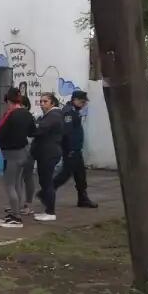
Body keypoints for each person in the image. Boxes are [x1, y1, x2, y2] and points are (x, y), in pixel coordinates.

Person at [0, 87, 36, 228]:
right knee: (18, 183)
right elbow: (32, 132)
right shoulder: (27, 114)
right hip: (23, 152)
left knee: (10, 184)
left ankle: (16, 217)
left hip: (12, 153)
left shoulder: (10, 114)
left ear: (9, 100)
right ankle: (15, 212)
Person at [54, 90, 98, 208]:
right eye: (82, 102)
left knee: (80, 175)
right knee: (65, 174)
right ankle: (47, 191)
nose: (83, 104)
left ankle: (83, 198)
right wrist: (71, 149)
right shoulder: (69, 112)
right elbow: (67, 133)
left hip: (76, 150)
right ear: (75, 100)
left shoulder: (74, 111)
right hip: (71, 150)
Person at [31, 93, 64, 222]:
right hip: (47, 152)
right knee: (44, 181)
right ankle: (47, 210)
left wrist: (31, 127)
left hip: (48, 153)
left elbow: (39, 130)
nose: (42, 104)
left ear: (52, 103)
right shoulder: (50, 115)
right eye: (41, 101)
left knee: (47, 182)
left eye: (45, 101)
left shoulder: (53, 115)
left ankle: (50, 211)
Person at [20, 95, 36, 215]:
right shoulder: (13, 115)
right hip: (16, 151)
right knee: (16, 178)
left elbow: (31, 135)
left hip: (27, 150)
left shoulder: (29, 117)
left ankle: (28, 204)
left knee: (27, 177)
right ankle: (16, 204)